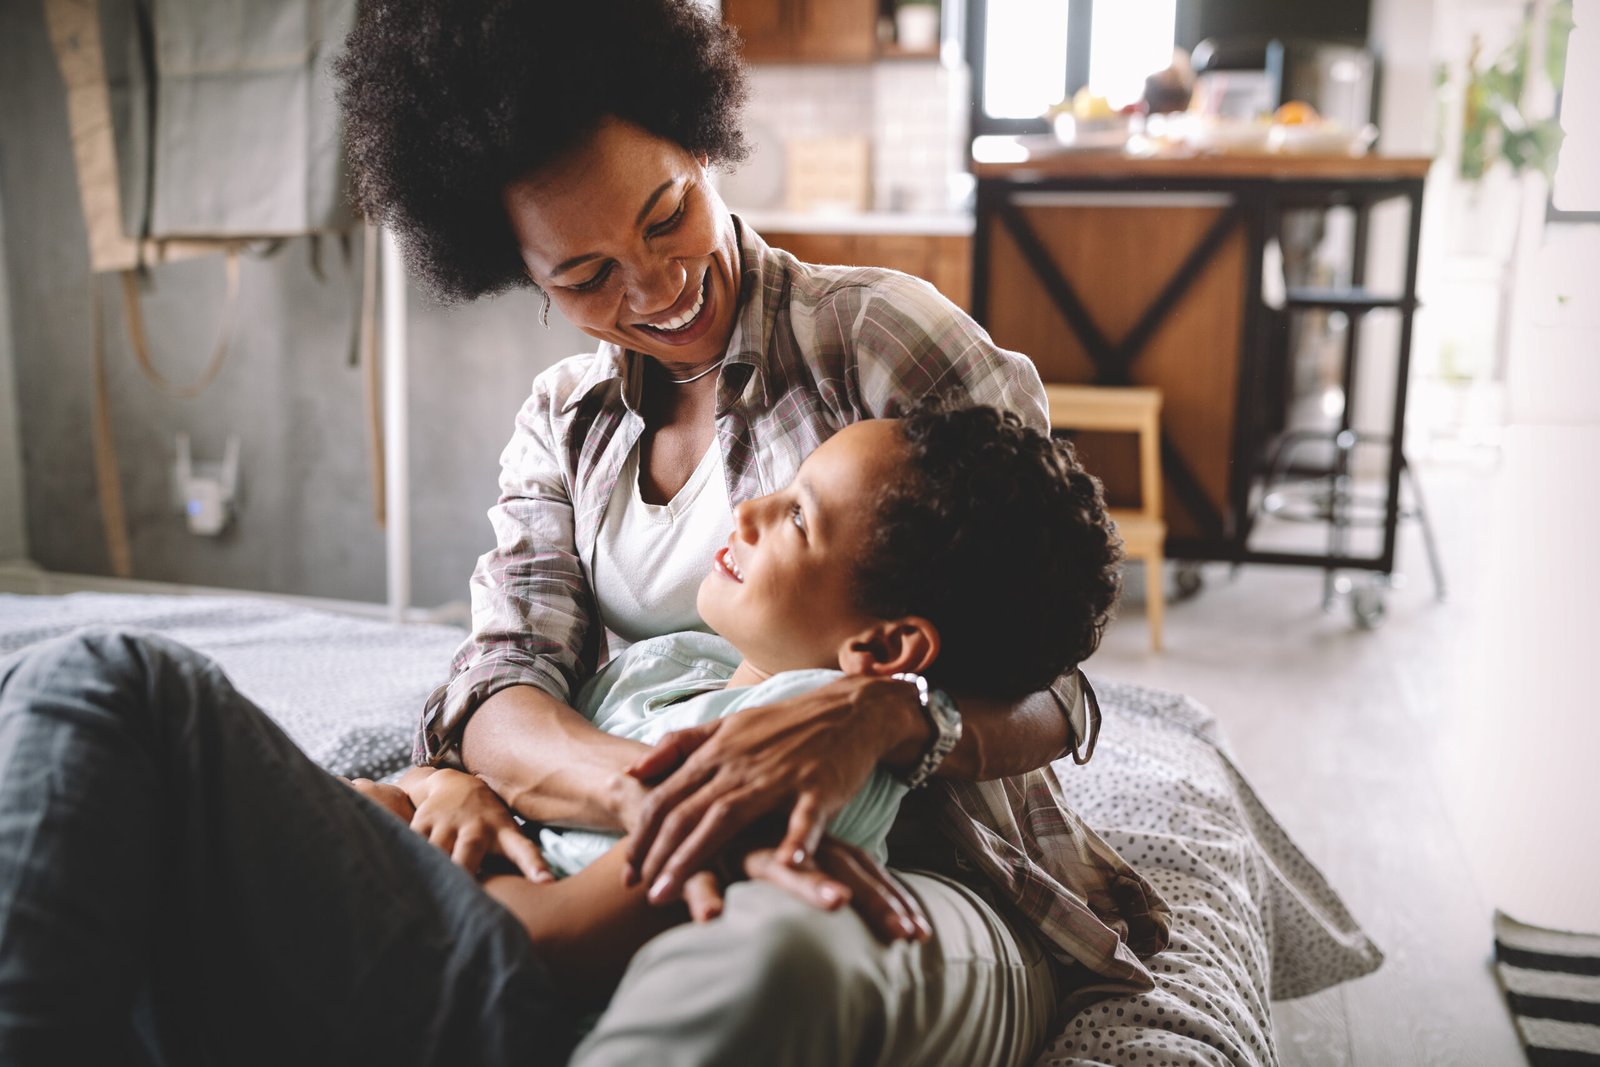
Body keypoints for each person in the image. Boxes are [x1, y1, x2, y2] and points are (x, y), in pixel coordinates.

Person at [333, 1, 1169, 1064]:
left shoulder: (876, 344)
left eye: (666, 214)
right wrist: (685, 799)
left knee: (771, 943)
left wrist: (885, 721)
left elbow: (1053, 670)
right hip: (639, 841)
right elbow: (504, 684)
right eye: (584, 277)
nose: (658, 286)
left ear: (700, 141)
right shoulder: (561, 423)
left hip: (918, 871)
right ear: (517, 272)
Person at [356, 404, 1132, 1011]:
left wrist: (405, 840)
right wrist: (446, 788)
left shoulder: (804, 763)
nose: (749, 508)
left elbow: (551, 946)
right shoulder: (677, 665)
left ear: (888, 649)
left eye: (798, 516)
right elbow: (478, 749)